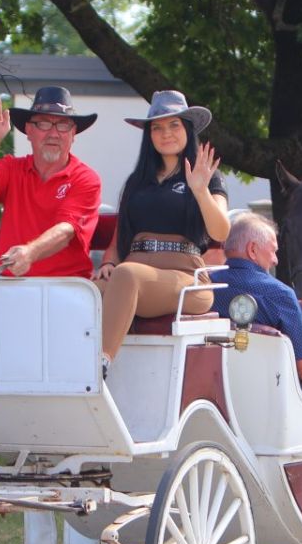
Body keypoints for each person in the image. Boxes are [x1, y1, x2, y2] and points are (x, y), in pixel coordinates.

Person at [95, 91, 231, 361]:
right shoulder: (137, 181)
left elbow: (221, 232)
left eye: (174, 125)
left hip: (186, 279)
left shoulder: (208, 177)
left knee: (127, 275)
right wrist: (108, 263)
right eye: (157, 127)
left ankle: (99, 367)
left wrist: (200, 191)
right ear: (149, 135)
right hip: (130, 270)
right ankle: (60, 372)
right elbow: (120, 237)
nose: (165, 133)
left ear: (187, 129)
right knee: (83, 293)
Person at [209, 213, 302, 416]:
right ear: (253, 249)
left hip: (215, 397)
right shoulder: (279, 294)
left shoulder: (203, 287)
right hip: (268, 405)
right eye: (273, 251)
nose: (275, 260)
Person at [0, 87, 102, 277]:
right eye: (43, 124)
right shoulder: (13, 168)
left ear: (73, 134)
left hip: (65, 289)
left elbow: (65, 232)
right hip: (9, 286)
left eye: (62, 125)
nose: (53, 133)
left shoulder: (85, 178)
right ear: (28, 130)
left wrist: (29, 253)